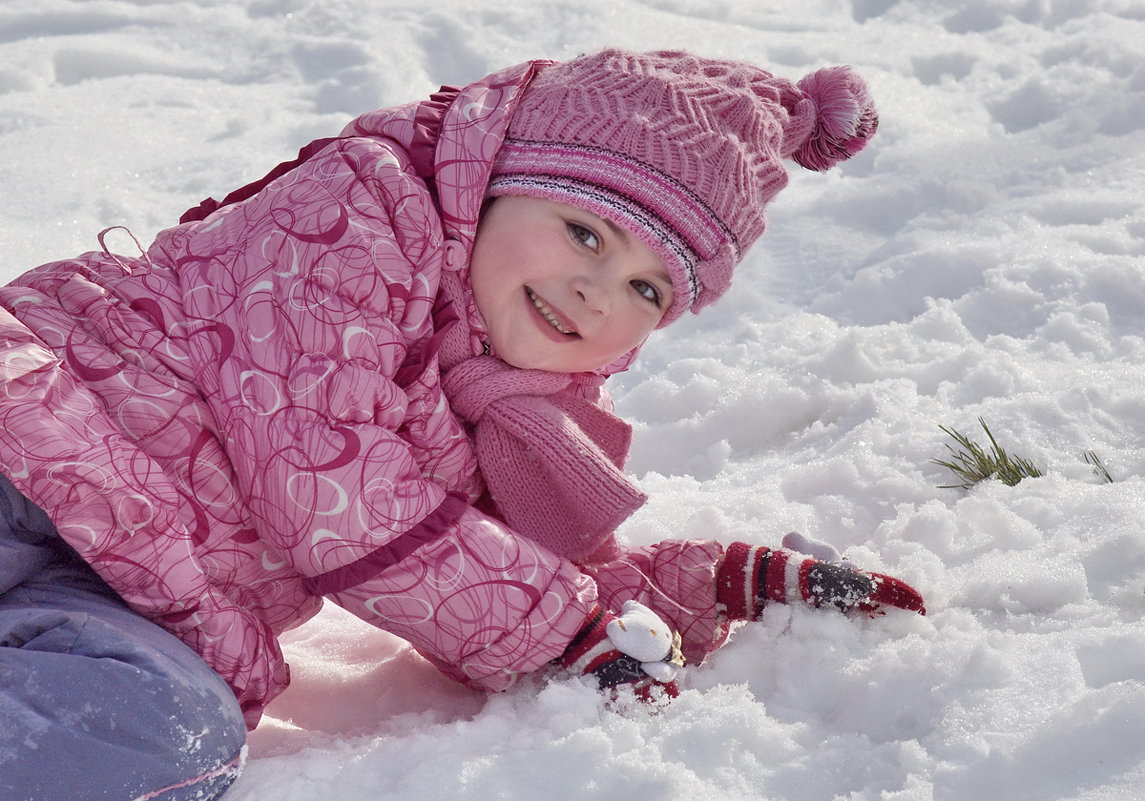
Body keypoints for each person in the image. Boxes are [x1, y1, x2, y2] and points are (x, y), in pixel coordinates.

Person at [0, 49, 924, 800]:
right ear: (498, 180)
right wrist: (569, 632)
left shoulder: (510, 405)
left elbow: (518, 573)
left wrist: (709, 591)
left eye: (646, 287)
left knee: (169, 734)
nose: (593, 291)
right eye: (585, 233)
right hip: (33, 444)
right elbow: (337, 492)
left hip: (122, 593)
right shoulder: (352, 220)